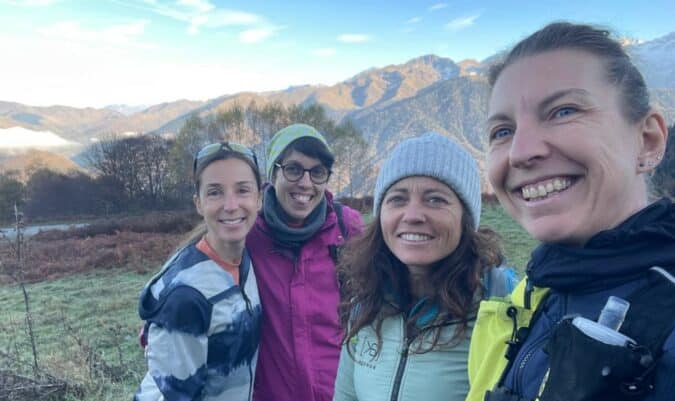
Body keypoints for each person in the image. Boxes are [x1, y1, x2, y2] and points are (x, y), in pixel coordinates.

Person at [467, 22, 674, 401]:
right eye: (502, 131)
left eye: (563, 111)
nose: (520, 152)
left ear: (647, 140)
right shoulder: (531, 297)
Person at [333, 132, 517, 401]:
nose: (413, 215)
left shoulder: (501, 307)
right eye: (398, 199)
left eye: (435, 200)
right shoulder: (367, 300)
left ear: (466, 218)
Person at [134, 142, 263, 401]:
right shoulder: (186, 297)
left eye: (242, 190)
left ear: (259, 199)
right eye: (215, 192)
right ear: (199, 204)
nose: (231, 205)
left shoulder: (245, 261)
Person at [246, 123, 363, 401]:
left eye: (318, 172)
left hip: (338, 394)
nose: (306, 183)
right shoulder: (248, 234)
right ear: (273, 173)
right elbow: (198, 272)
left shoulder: (346, 228)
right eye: (294, 169)